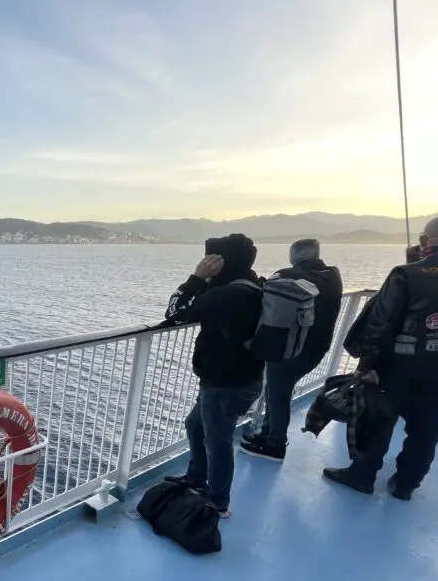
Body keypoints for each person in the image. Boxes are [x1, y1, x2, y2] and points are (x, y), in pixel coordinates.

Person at [323, 217, 438, 500]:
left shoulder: (406, 274)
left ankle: (362, 476)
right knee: (426, 430)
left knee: (379, 421)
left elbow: (381, 324)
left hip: (398, 366)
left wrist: (366, 365)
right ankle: (406, 485)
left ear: (425, 241)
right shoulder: (410, 273)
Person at [163, 234, 264, 517]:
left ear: (220, 263)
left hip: (226, 384)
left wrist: (196, 278)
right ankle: (197, 478)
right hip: (238, 379)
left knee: (217, 442)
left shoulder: (227, 294)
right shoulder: (252, 284)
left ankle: (218, 501)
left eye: (210, 259)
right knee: (195, 426)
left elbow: (174, 312)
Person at [239, 239, 343, 461]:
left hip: (289, 348)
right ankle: (267, 433)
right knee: (279, 392)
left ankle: (275, 444)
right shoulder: (333, 276)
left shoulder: (287, 275)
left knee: (278, 395)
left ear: (293, 256)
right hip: (318, 348)